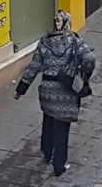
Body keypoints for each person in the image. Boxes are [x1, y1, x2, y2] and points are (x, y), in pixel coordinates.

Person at [14, 10, 96, 177]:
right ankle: (59, 165)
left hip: (47, 90)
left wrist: (20, 89)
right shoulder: (74, 41)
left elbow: (33, 68)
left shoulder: (44, 43)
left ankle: (46, 151)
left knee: (48, 118)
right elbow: (90, 60)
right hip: (66, 91)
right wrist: (83, 75)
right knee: (62, 127)